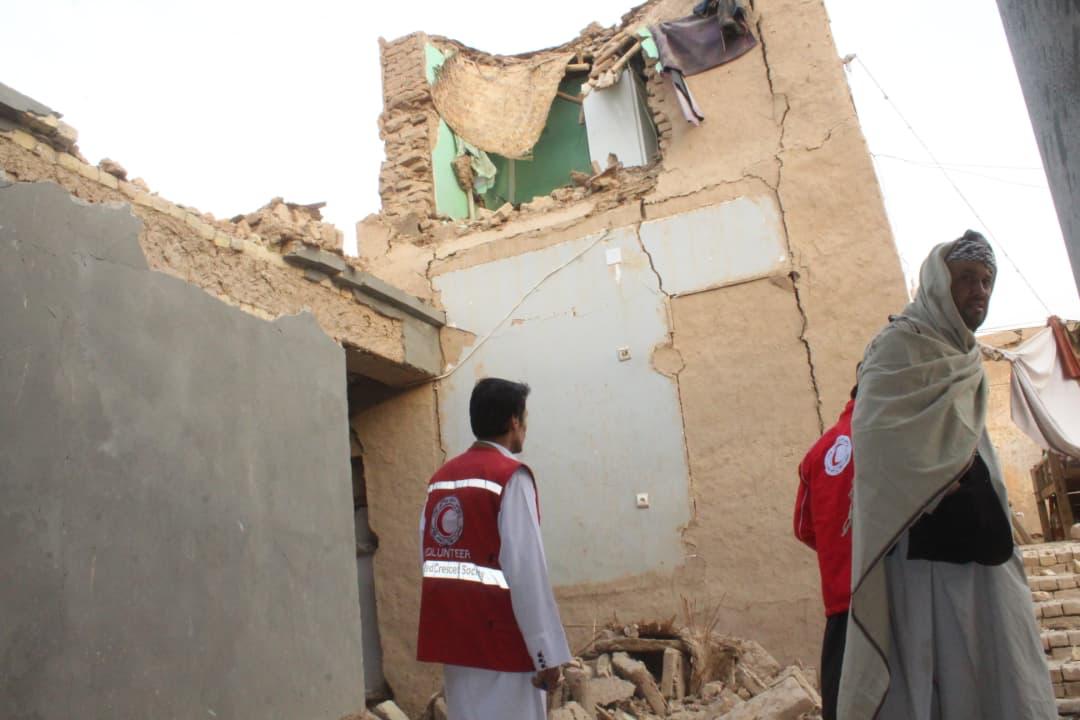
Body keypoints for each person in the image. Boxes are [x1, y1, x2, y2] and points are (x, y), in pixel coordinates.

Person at [838, 231, 1056, 719]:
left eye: (987, 281)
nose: (980, 291)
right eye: (967, 279)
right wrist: (932, 481)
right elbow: (875, 436)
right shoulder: (897, 346)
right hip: (920, 548)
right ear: (939, 283)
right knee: (928, 674)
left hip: (984, 544)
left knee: (1001, 667)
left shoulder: (967, 357)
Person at [416, 378, 571, 720]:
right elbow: (527, 572)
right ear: (514, 421)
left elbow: (428, 557)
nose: (525, 427)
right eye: (524, 418)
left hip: (457, 642)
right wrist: (546, 655)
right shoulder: (510, 477)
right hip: (504, 643)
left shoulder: (440, 481)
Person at [793, 380, 856, 720]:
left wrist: (839, 547)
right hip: (898, 601)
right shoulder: (898, 437)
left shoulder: (818, 453)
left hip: (842, 605)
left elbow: (804, 528)